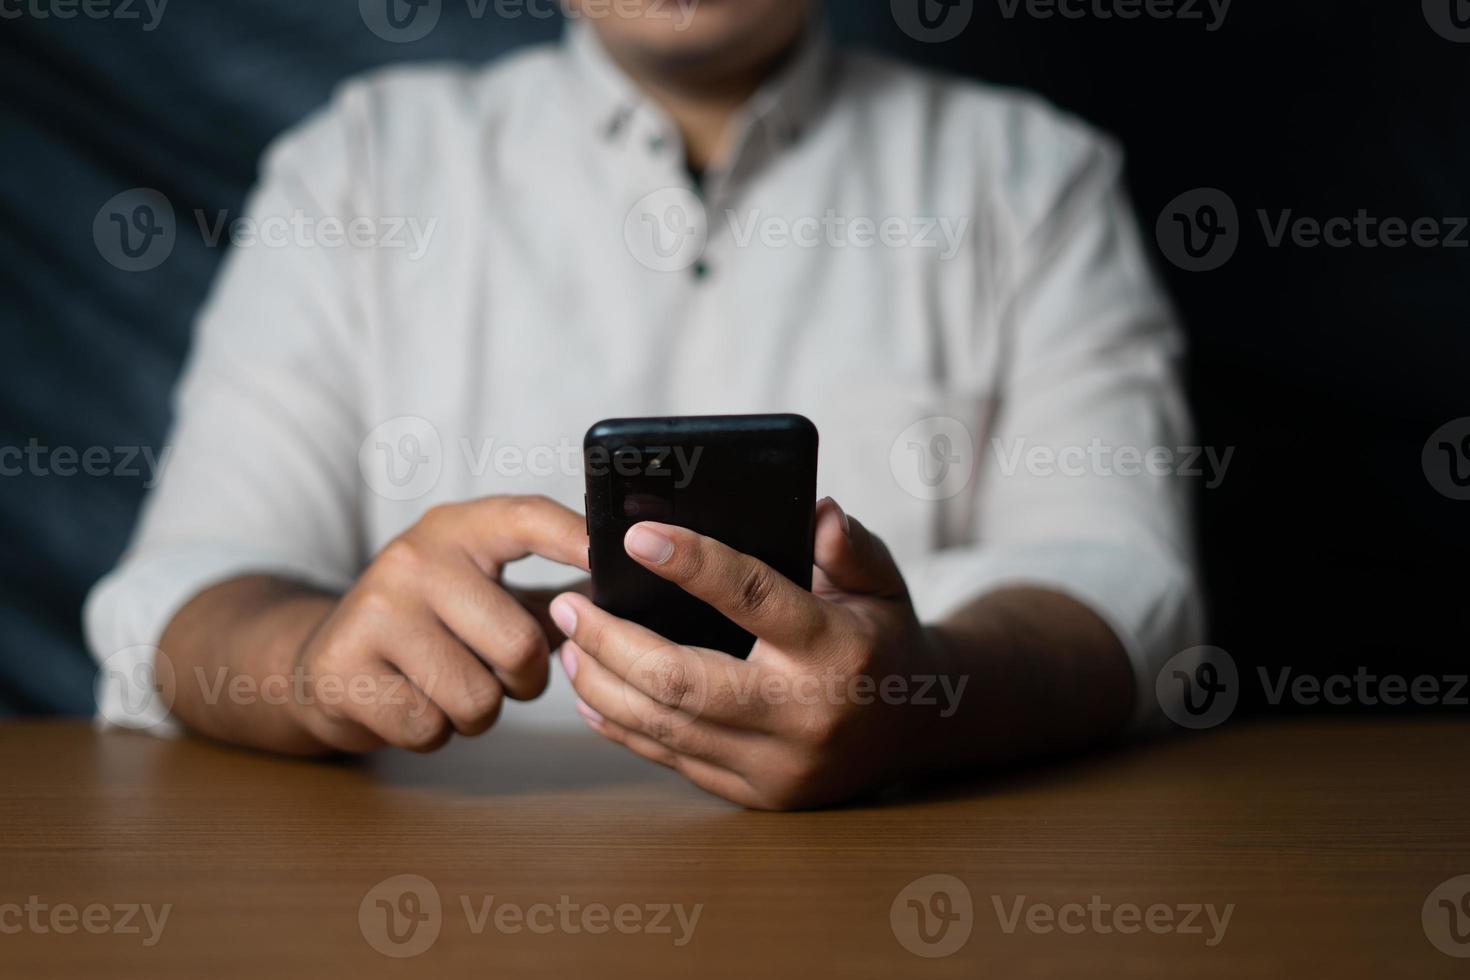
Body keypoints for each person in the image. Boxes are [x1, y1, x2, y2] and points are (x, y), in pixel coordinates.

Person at [85, 0, 1200, 809]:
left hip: (893, 877)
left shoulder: (1032, 173)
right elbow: (178, 595)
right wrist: (312, 665)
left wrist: (925, 691)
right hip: (469, 890)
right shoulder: (361, 165)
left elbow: (1125, 592)